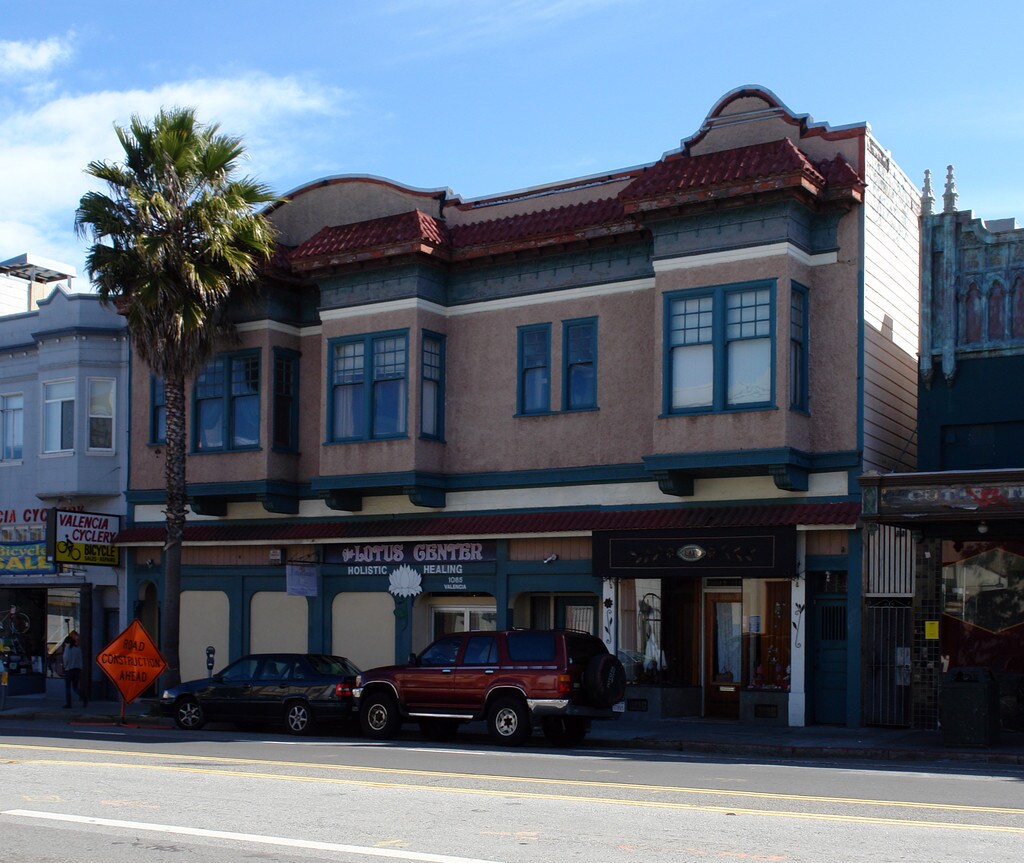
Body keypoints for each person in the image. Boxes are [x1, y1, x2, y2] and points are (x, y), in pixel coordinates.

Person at [61, 632, 87, 708]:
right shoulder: (78, 649)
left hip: (69, 670)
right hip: (77, 670)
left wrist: (65, 666)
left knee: (68, 688)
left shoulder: (67, 649)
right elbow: (80, 660)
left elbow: (65, 659)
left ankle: (69, 703)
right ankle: (84, 697)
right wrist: (80, 668)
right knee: (75, 687)